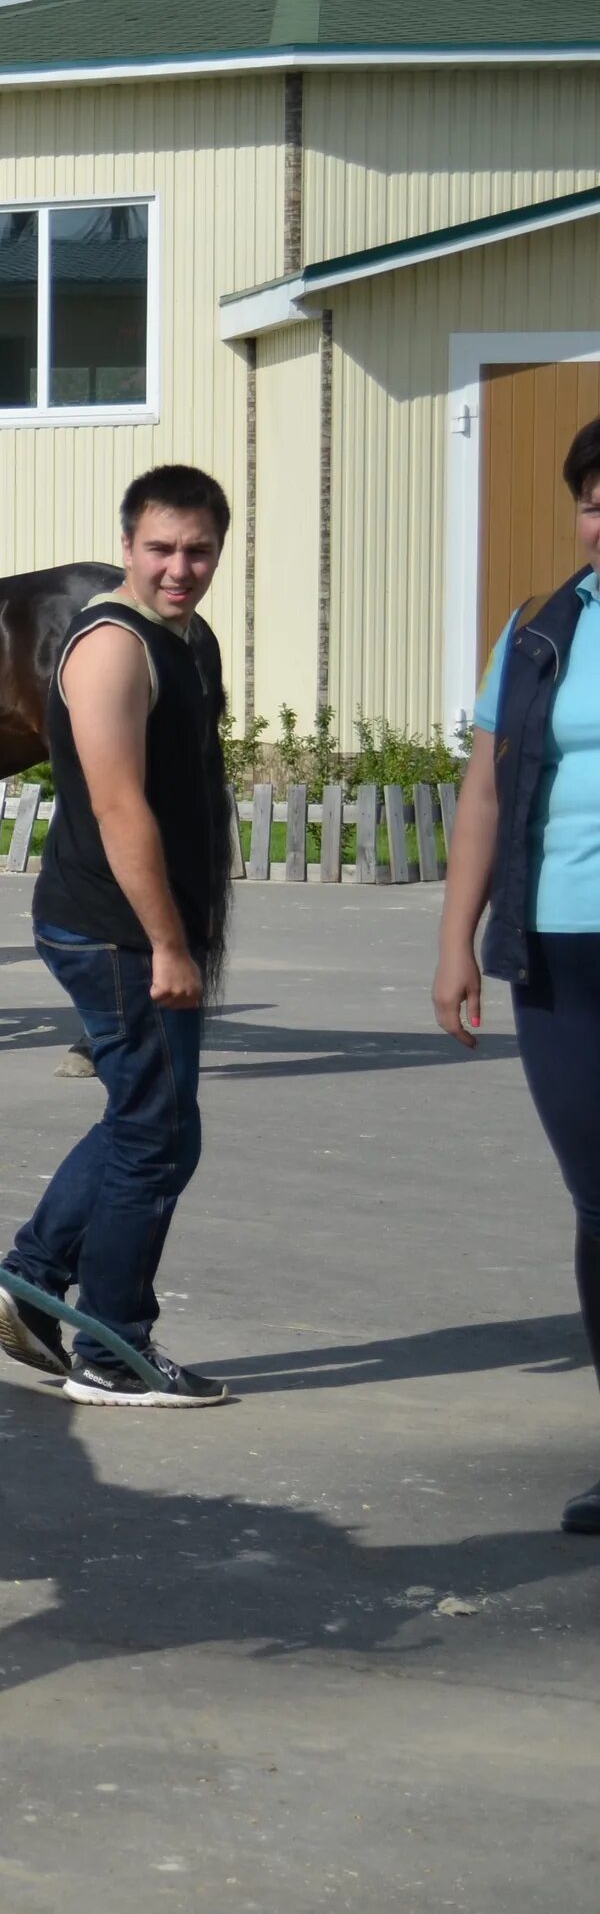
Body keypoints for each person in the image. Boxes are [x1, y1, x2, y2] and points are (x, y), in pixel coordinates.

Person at [0, 467, 237, 1408]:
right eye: (161, 548)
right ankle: (111, 1342)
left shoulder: (187, 637)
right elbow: (120, 806)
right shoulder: (115, 648)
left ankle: (36, 1284)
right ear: (127, 544)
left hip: (142, 925)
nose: (179, 567)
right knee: (157, 1135)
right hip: (117, 929)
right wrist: (169, 943)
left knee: (147, 1121)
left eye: (198, 549)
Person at [433, 411, 600, 1536]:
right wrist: (457, 941)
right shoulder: (539, 633)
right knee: (599, 1205)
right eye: (590, 496)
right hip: (560, 952)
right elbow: (487, 793)